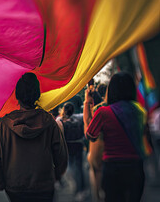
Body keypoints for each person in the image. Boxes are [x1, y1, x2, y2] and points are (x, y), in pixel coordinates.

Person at [0, 72, 68, 202]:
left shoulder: (5, 124)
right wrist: (56, 176)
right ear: (37, 94)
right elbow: (61, 154)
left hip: (15, 187)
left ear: (18, 96)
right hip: (44, 186)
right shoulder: (49, 121)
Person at [85, 72, 151, 202]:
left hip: (113, 169)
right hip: (136, 168)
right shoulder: (140, 111)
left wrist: (88, 102)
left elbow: (90, 135)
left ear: (111, 91)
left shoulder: (103, 112)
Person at [57, 102, 86, 201]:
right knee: (79, 168)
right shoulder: (79, 118)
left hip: (68, 147)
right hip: (78, 145)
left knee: (69, 167)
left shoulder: (60, 120)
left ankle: (73, 185)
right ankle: (81, 190)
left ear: (64, 110)